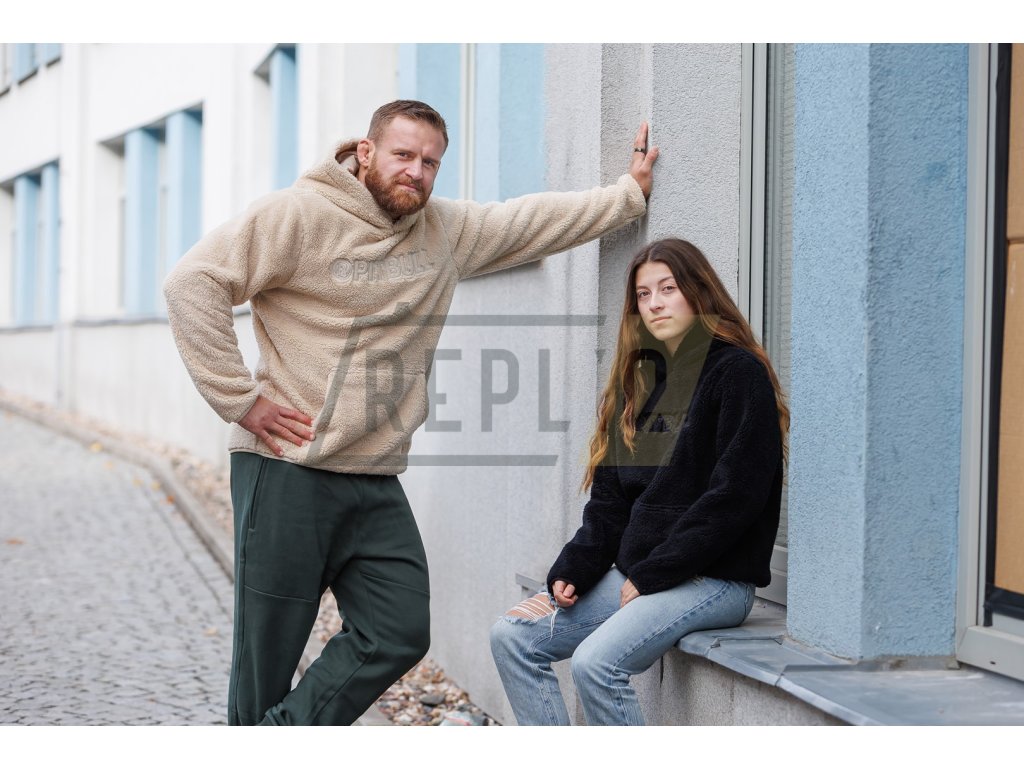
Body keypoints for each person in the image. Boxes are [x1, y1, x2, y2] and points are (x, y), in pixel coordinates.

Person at [163, 99, 658, 726]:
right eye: (403, 155)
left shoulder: (443, 232)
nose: (416, 172)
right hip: (287, 469)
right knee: (267, 659)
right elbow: (193, 282)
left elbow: (527, 223)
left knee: (397, 630)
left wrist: (627, 196)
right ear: (365, 151)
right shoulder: (297, 215)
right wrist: (241, 399)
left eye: (430, 163)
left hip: (374, 476)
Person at [489, 237, 789, 726]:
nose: (655, 304)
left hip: (714, 578)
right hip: (642, 574)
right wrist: (575, 568)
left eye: (668, 288)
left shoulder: (736, 372)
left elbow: (736, 496)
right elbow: (609, 504)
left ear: (698, 291)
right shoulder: (639, 383)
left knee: (596, 664)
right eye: (643, 295)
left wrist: (654, 573)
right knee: (513, 637)